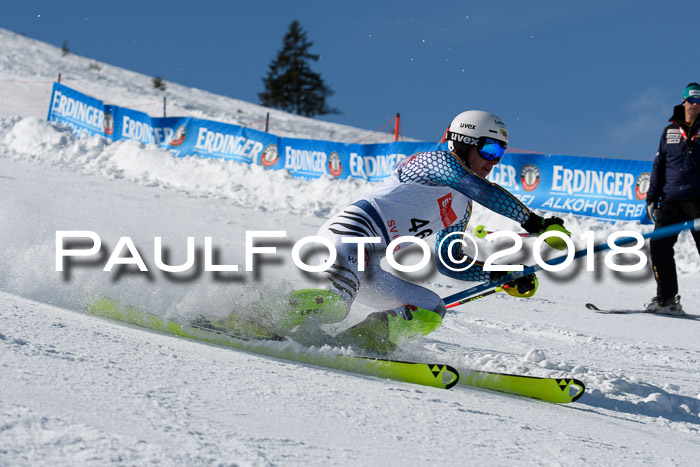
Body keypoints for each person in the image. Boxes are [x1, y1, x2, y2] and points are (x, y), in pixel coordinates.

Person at [200, 110, 570, 352]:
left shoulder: (462, 207)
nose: (494, 161)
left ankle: (356, 347)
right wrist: (535, 224)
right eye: (489, 149)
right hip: (350, 236)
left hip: (371, 265)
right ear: (463, 142)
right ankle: (250, 312)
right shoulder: (436, 161)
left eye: (501, 153)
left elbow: (449, 261)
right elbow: (479, 188)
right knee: (332, 305)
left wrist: (497, 275)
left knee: (430, 307)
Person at [645, 83, 700, 315]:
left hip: (698, 199)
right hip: (670, 199)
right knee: (659, 245)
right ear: (683, 102)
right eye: (692, 101)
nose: (695, 105)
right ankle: (666, 298)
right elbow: (660, 165)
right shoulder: (670, 131)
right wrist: (652, 197)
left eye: (699, 102)